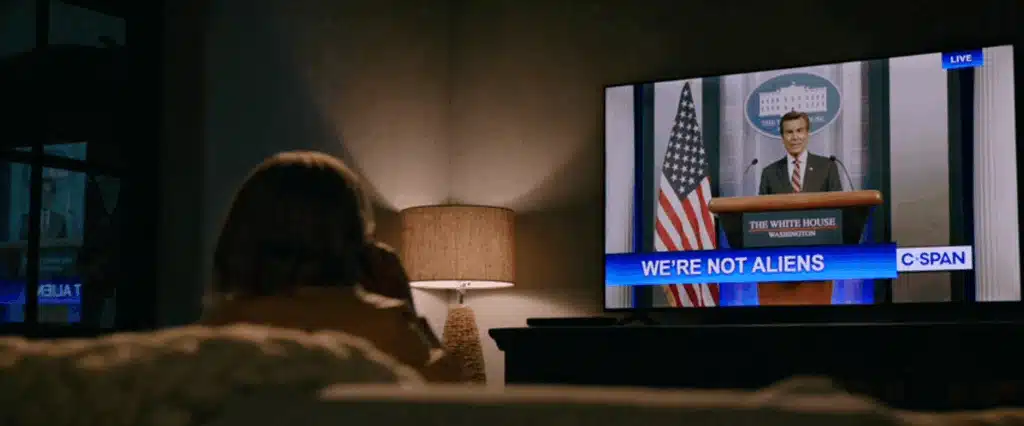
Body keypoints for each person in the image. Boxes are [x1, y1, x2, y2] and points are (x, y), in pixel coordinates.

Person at [200, 151, 465, 382]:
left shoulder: (217, 329)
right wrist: (407, 308)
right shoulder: (386, 328)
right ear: (353, 236)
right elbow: (451, 406)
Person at [758, 110, 843, 195]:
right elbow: (762, 206)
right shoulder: (769, 173)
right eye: (789, 132)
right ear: (782, 137)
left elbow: (838, 204)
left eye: (799, 131)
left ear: (807, 134)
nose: (795, 137)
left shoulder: (827, 167)